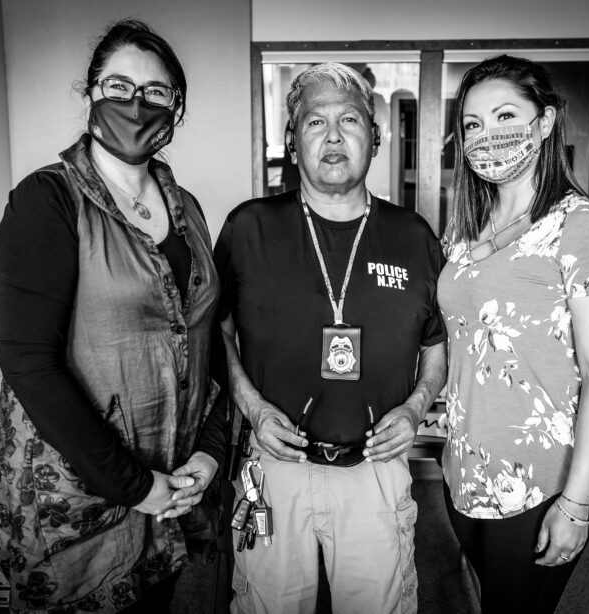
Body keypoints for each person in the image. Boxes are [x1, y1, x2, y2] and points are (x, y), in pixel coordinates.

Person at [0, 19, 227, 613]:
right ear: (91, 93)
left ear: (177, 109)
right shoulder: (46, 200)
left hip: (170, 494)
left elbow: (204, 340)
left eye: (156, 92)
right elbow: (27, 363)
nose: (135, 104)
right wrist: (136, 486)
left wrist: (208, 452)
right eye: (118, 86)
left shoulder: (185, 209)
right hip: (79, 507)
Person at [215, 62, 447, 614]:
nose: (335, 135)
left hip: (374, 471)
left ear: (377, 137)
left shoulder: (412, 237)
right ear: (293, 144)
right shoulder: (249, 228)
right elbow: (215, 333)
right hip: (275, 466)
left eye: (350, 120)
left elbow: (437, 347)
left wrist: (415, 410)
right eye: (315, 122)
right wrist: (252, 408)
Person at [437, 54, 589, 613]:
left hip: (542, 483)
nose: (487, 136)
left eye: (505, 116)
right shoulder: (468, 232)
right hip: (465, 472)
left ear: (545, 122)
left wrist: (574, 504)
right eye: (473, 125)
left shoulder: (583, 229)